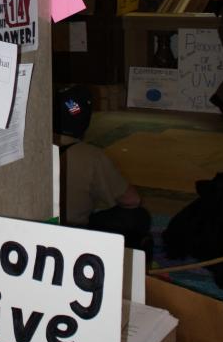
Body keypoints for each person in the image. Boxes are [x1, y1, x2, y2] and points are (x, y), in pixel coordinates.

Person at [54, 85, 152, 254]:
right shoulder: (92, 156)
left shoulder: (32, 148)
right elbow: (131, 200)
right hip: (74, 233)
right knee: (138, 217)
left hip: (35, 227)